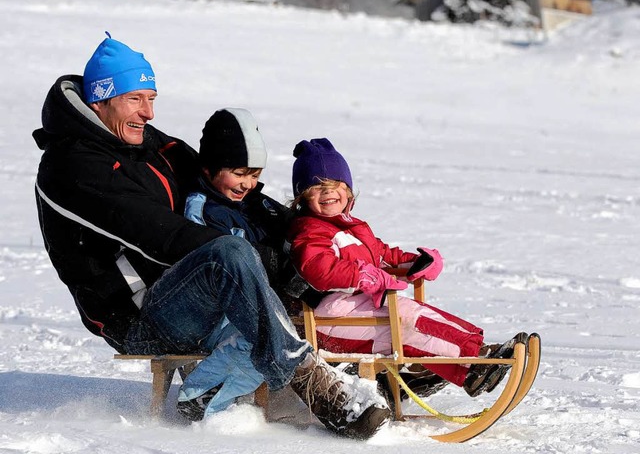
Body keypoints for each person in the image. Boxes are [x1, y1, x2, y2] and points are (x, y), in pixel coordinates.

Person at [32, 33, 390, 439]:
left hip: (184, 293)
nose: (148, 112)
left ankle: (384, 371)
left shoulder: (145, 143)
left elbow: (221, 182)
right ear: (102, 98)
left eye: (152, 98)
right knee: (229, 253)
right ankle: (317, 387)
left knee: (278, 264)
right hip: (140, 314)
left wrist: (298, 237)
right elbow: (158, 235)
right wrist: (249, 256)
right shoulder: (70, 166)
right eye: (136, 99)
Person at [287, 138, 526, 399]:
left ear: (349, 192)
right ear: (302, 197)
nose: (328, 192)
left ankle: (478, 353)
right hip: (329, 319)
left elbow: (384, 254)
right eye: (317, 187)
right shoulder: (310, 230)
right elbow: (318, 269)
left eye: (336, 185)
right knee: (406, 320)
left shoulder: (352, 228)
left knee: (416, 313)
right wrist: (361, 274)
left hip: (355, 310)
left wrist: (415, 263)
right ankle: (472, 364)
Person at [177, 107, 307, 420]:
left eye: (255, 175)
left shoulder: (257, 204)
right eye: (238, 173)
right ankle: (201, 397)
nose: (247, 183)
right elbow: (218, 257)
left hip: (266, 299)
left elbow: (295, 228)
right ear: (209, 169)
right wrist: (272, 260)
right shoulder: (202, 209)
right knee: (260, 335)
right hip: (218, 311)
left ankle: (293, 404)